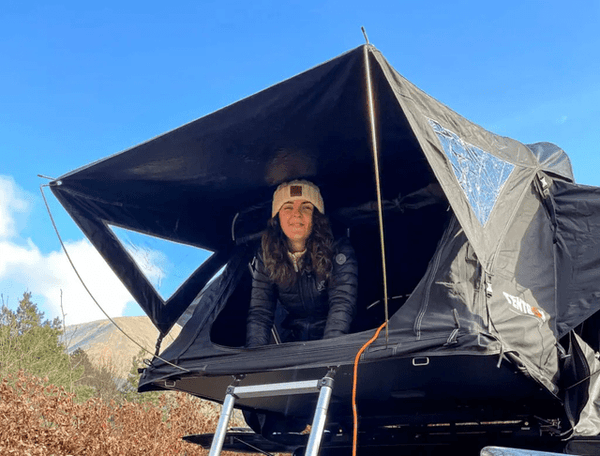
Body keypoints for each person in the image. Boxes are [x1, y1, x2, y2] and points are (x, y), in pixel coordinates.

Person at [246, 179, 358, 347]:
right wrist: (253, 359)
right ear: (277, 216)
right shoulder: (266, 254)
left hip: (340, 341)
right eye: (288, 207)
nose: (296, 214)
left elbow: (342, 304)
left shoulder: (338, 249)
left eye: (306, 207)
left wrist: (329, 355)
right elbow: (260, 313)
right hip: (295, 339)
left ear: (316, 217)